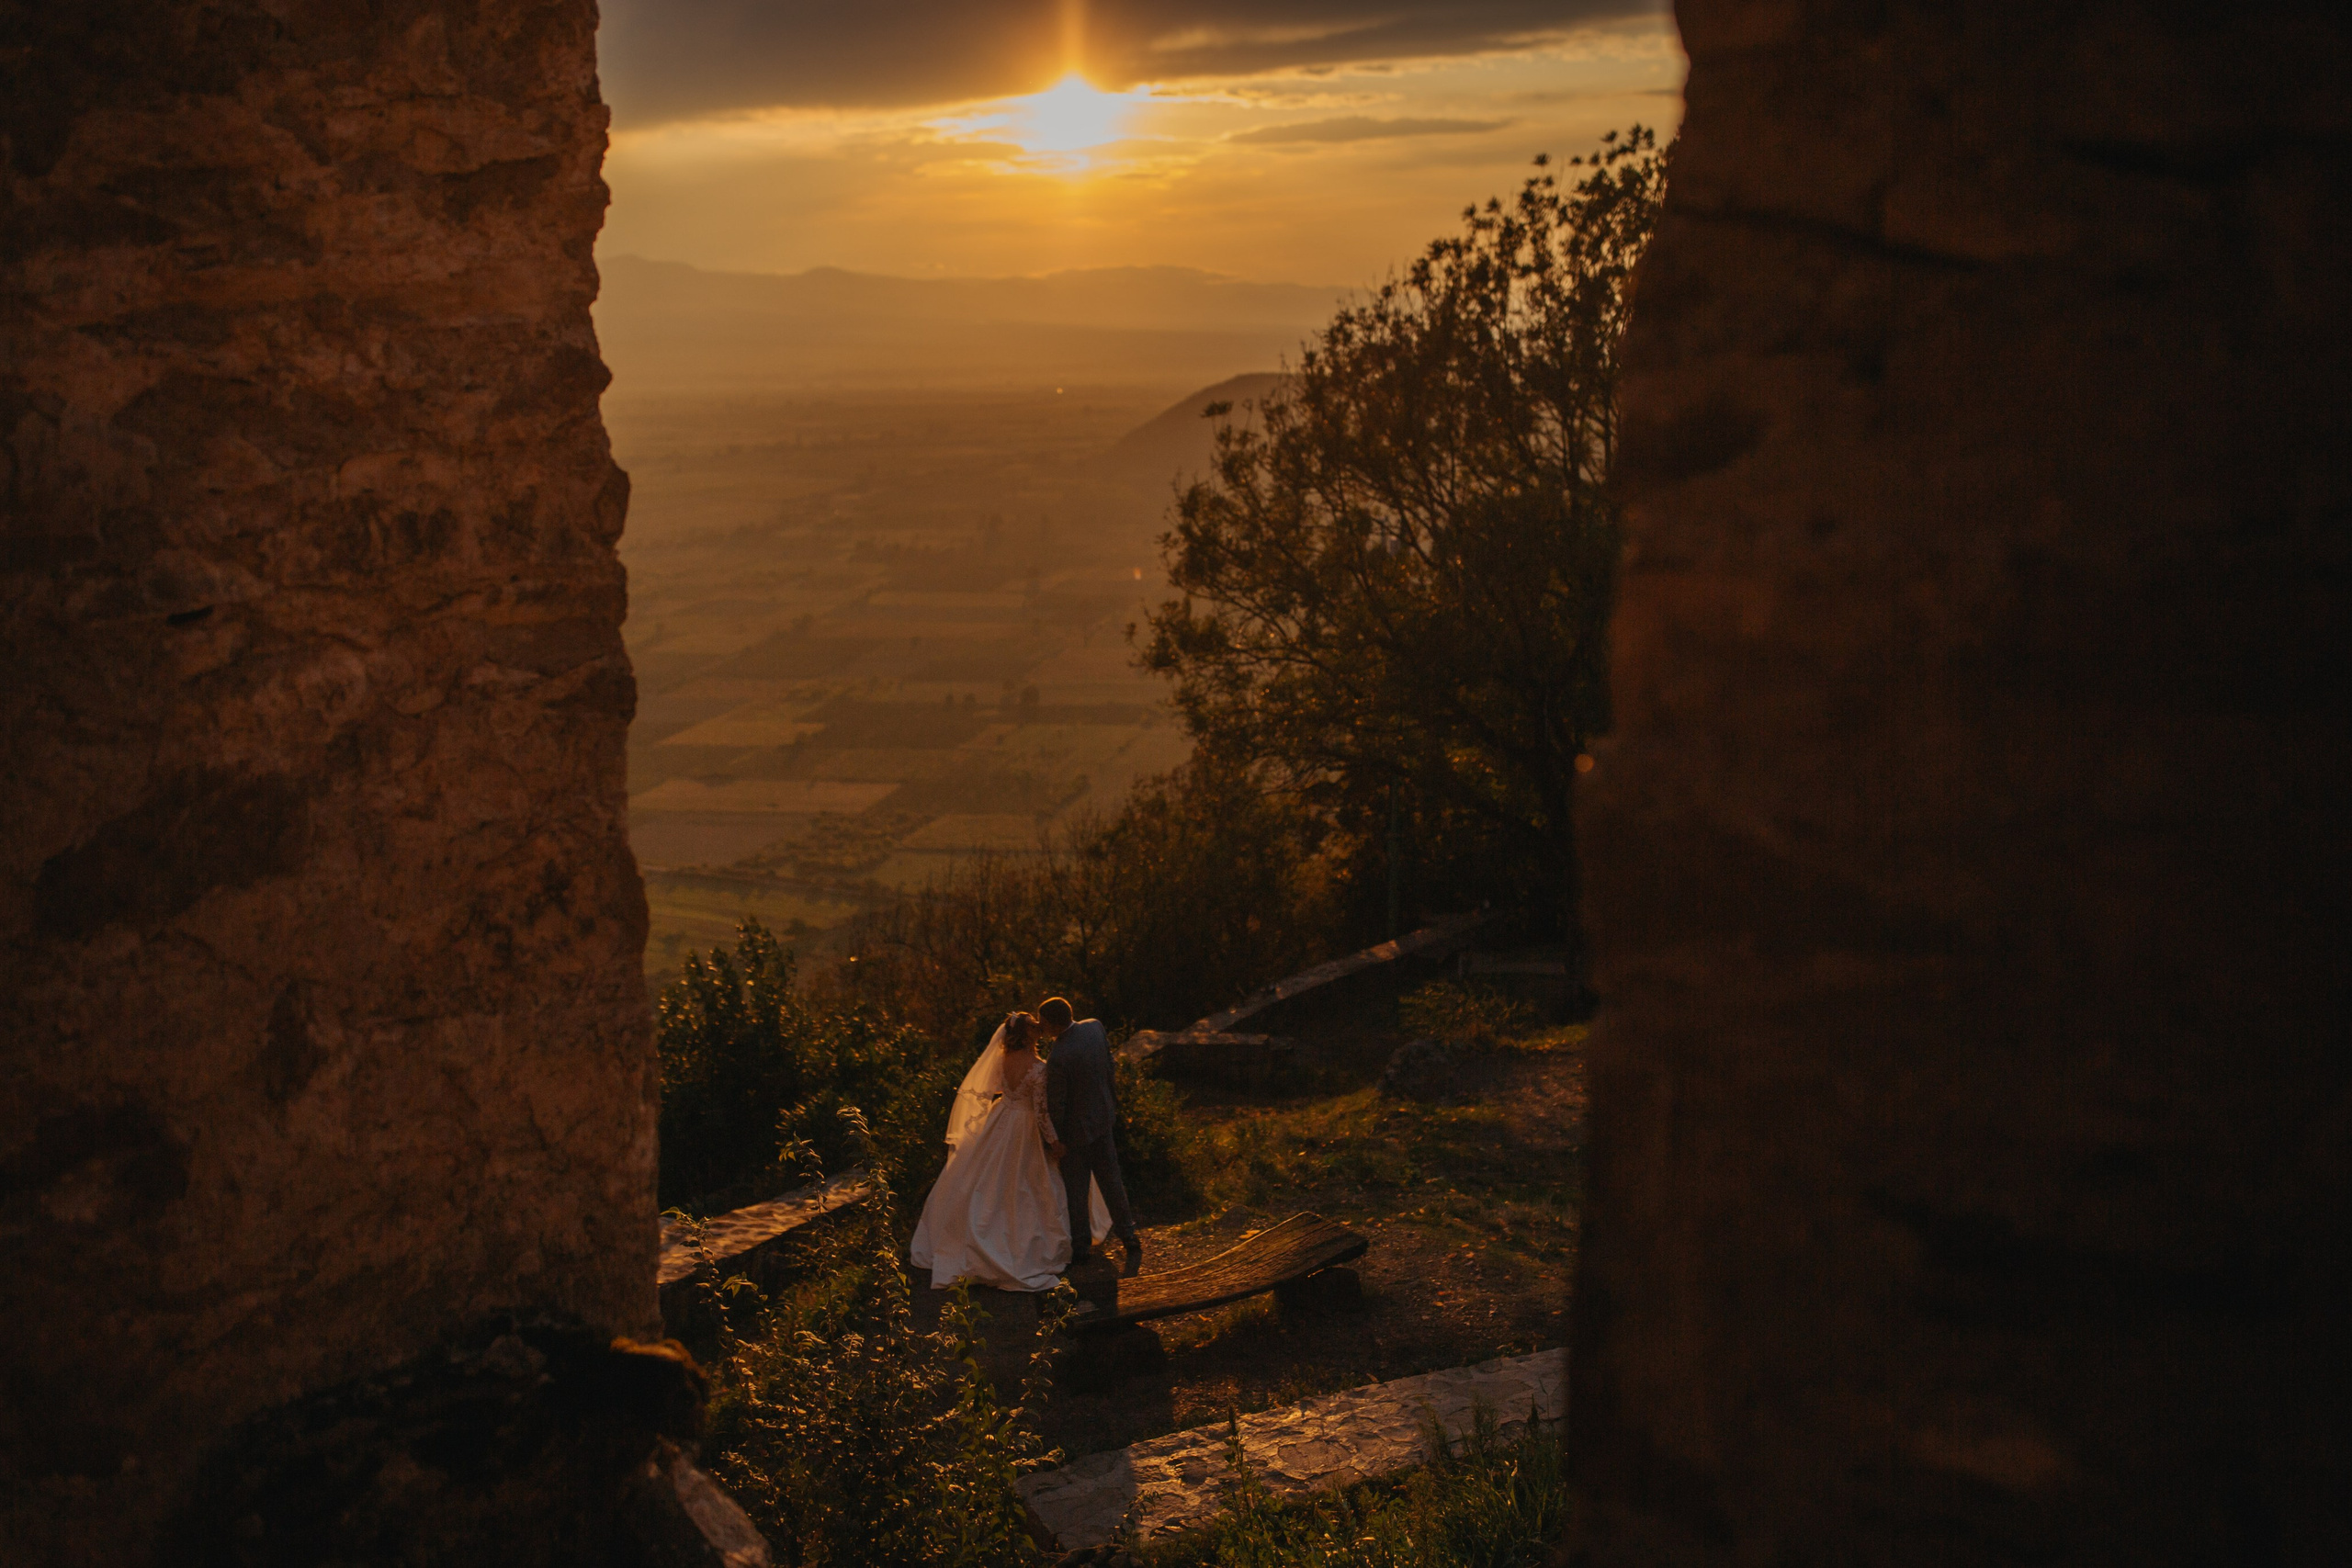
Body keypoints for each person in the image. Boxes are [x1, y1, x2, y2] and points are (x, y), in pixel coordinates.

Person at [910, 1011, 1111, 1291]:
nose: (1038, 1027)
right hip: (1026, 1126)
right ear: (1026, 1035)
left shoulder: (1003, 1060)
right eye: (1033, 1026)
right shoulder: (1039, 1068)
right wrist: (1054, 1141)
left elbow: (997, 1089)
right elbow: (1042, 1112)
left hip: (1002, 1117)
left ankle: (978, 1235)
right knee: (1028, 1183)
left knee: (987, 1180)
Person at [1038, 996, 1143, 1273]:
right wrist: (1111, 1104)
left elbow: (1057, 1105)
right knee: (1112, 1182)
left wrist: (1056, 1140)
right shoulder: (1094, 1028)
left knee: (1077, 1191)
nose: (1041, 1027)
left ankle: (1081, 1247)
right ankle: (1129, 1235)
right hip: (1102, 1121)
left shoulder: (1058, 1056)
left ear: (1051, 1024)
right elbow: (1109, 1067)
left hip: (1075, 1135)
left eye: (1043, 1023)